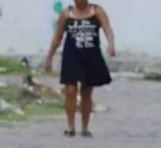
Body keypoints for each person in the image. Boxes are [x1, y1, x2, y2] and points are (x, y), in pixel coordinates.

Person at [44, 0, 115, 137]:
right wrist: (49, 57)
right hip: (72, 56)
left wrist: (111, 44)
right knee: (70, 90)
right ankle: (71, 126)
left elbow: (108, 29)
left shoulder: (97, 11)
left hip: (91, 56)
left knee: (86, 92)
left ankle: (85, 127)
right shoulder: (66, 14)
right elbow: (58, 37)